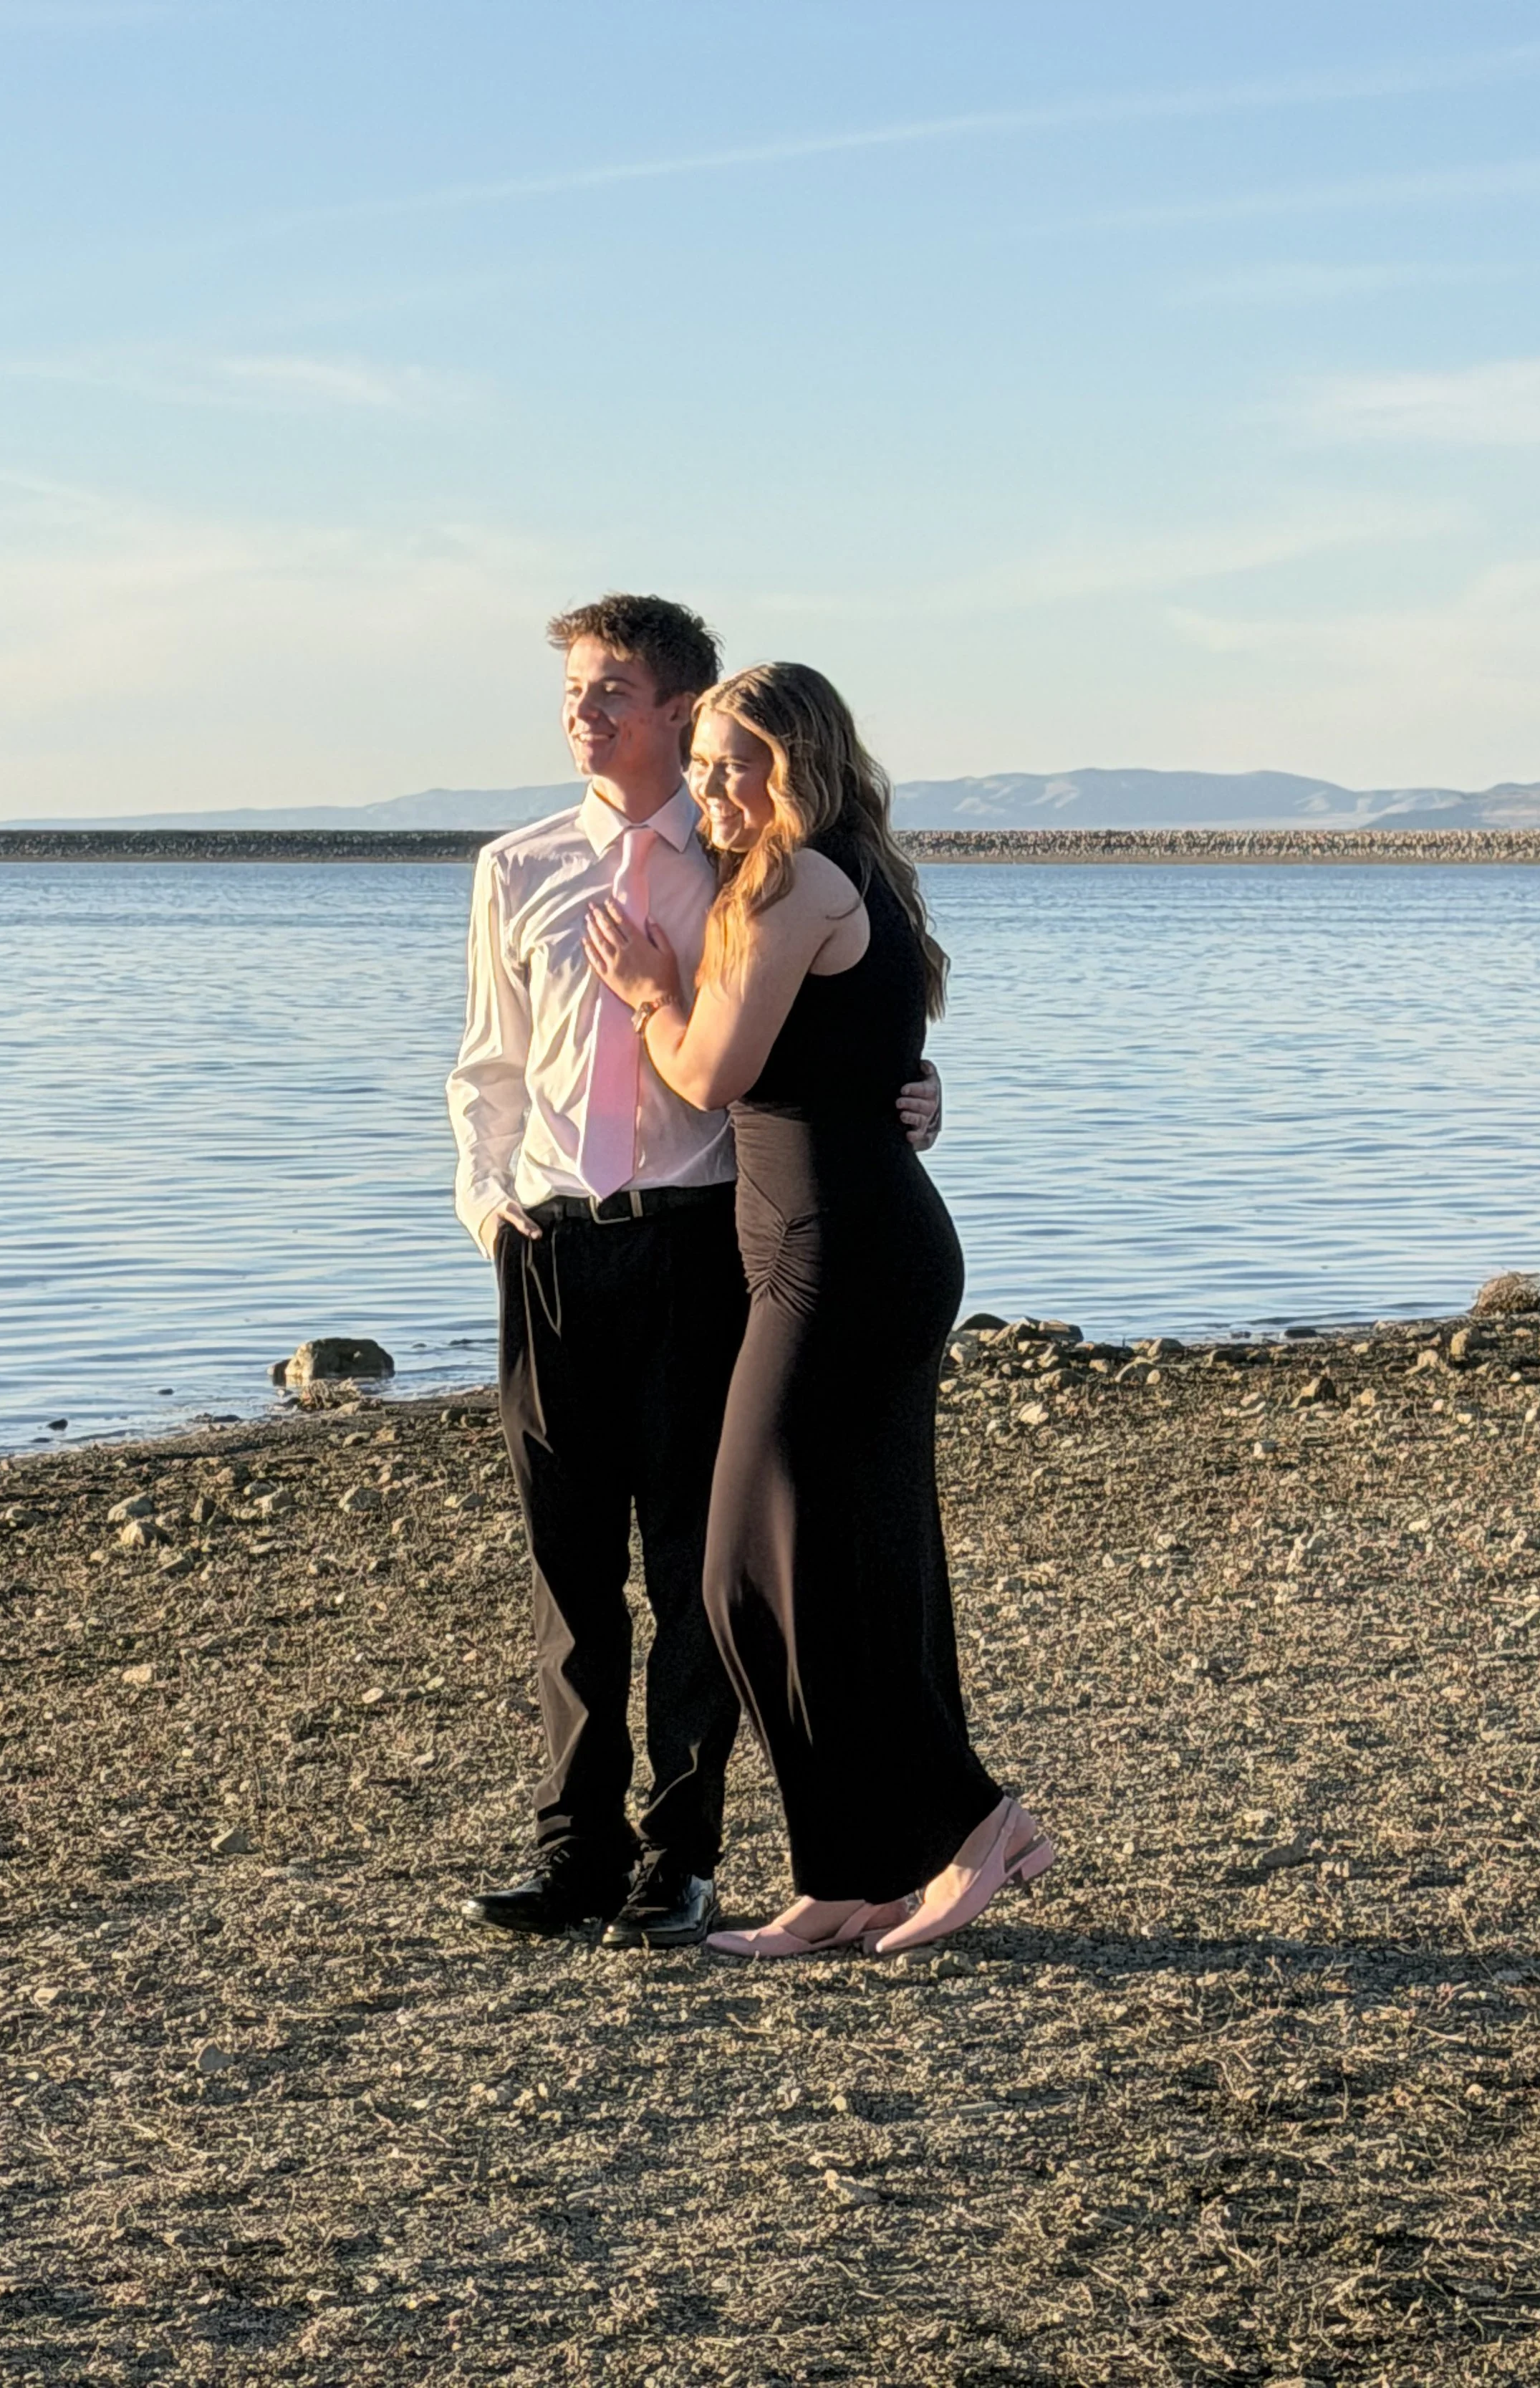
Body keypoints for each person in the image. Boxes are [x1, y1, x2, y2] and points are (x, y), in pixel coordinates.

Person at [447, 598, 942, 1950]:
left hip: (704, 1243)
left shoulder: (749, 863)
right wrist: (493, 1209)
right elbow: (487, 1067)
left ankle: (680, 1860)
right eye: (573, 691)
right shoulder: (516, 866)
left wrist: (909, 1086)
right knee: (565, 1572)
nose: (582, 713)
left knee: (688, 1568)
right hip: (549, 1246)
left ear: (682, 708)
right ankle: (572, 1856)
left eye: (612, 690)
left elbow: (842, 1006)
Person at [584, 661, 1053, 1959]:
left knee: (754, 1569)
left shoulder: (795, 880)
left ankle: (978, 1822)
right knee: (820, 1565)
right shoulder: (834, 874)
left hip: (845, 1258)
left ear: (799, 765)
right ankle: (846, 1877)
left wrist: (647, 989)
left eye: (740, 765)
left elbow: (711, 1071)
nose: (716, 788)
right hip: (836, 1248)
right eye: (709, 765)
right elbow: (865, 1057)